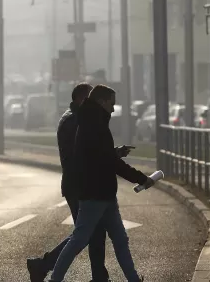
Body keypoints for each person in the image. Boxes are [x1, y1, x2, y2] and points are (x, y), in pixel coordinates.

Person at [48, 85, 154, 282]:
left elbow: (100, 155)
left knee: (120, 239)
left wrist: (115, 154)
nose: (113, 109)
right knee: (78, 241)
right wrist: (142, 178)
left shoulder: (93, 121)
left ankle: (134, 279)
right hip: (94, 194)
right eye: (111, 104)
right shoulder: (93, 125)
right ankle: (55, 279)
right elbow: (109, 162)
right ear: (101, 102)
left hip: (104, 194)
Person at [27, 82, 112, 282]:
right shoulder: (74, 121)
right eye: (91, 100)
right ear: (81, 99)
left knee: (89, 232)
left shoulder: (75, 119)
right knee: (87, 232)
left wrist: (112, 153)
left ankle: (45, 265)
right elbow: (84, 153)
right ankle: (43, 265)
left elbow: (90, 150)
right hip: (78, 185)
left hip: (79, 183)